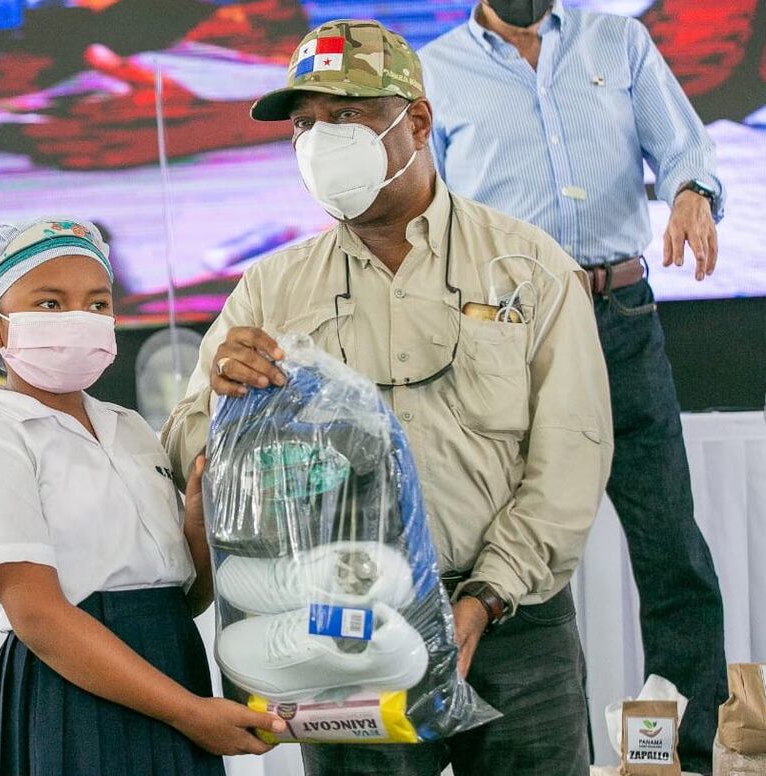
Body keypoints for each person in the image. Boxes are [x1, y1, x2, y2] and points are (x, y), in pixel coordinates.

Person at [162, 20, 613, 776]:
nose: (319, 141)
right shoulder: (272, 288)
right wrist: (224, 400)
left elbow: (573, 455)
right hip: (340, 628)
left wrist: (487, 596)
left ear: (419, 122)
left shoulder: (528, 268)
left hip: (512, 626)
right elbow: (186, 451)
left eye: (346, 116)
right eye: (304, 124)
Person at [419, 3, 728, 771]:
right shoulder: (436, 70)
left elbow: (685, 144)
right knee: (520, 550)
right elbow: (431, 221)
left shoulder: (618, 41)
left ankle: (690, 753)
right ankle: (559, 750)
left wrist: (692, 192)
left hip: (620, 317)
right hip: (508, 333)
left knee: (670, 544)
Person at [0, 217, 285, 776]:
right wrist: (190, 712)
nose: (80, 318)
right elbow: (39, 616)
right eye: (50, 303)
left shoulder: (132, 430)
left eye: (97, 303)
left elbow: (183, 597)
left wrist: (197, 520)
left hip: (172, 666)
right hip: (77, 693)